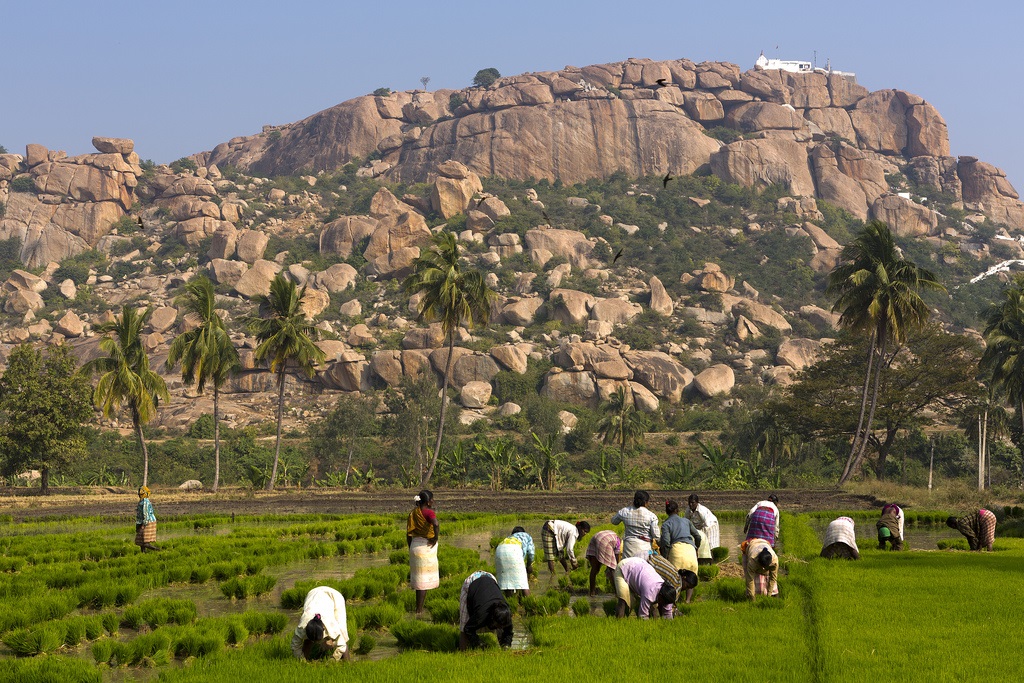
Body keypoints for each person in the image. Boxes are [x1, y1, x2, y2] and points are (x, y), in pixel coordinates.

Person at [290, 585, 350, 661]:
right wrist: (301, 660)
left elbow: (342, 645)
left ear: (323, 629)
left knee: (343, 635)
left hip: (334, 597)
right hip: (313, 594)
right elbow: (295, 646)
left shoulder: (331, 625)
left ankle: (348, 663)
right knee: (307, 639)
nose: (316, 643)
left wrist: (334, 659)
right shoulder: (302, 626)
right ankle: (305, 660)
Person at [458, 571, 513, 650]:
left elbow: (508, 632)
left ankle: (502, 649)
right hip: (472, 582)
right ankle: (462, 653)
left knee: (500, 628)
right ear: (492, 618)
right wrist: (478, 642)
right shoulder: (481, 614)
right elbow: (468, 628)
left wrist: (506, 645)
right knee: (463, 628)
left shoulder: (506, 615)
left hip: (490, 579)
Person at [660, 500, 700, 603]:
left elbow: (666, 542)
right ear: (677, 510)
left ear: (666, 512)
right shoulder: (686, 521)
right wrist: (696, 548)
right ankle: (687, 601)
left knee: (674, 579)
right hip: (690, 550)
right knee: (690, 577)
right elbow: (697, 536)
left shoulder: (666, 524)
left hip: (677, 551)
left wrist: (664, 557)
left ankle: (673, 602)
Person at [613, 556, 677, 619]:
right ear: (660, 596)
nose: (665, 605)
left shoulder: (668, 595)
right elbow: (643, 615)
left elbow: (667, 613)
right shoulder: (649, 592)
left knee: (653, 606)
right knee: (624, 599)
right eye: (664, 602)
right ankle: (619, 620)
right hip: (625, 566)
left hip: (641, 565)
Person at [407, 489, 439, 613]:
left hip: (415, 545)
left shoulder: (413, 513)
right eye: (432, 499)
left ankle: (418, 608)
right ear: (429, 502)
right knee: (423, 582)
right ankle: (419, 611)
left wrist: (410, 548)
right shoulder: (429, 513)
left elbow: (408, 534)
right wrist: (435, 538)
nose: (433, 501)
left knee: (419, 581)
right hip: (426, 547)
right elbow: (435, 524)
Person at [611, 490, 661, 559]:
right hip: (645, 549)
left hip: (629, 548)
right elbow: (656, 536)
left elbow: (614, 521)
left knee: (628, 568)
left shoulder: (625, 511)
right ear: (646, 502)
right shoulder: (651, 516)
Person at [495, 526, 534, 596]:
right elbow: (531, 553)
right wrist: (529, 565)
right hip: (514, 550)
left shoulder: (509, 537)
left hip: (499, 549)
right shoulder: (526, 536)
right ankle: (529, 602)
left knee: (505, 582)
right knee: (523, 583)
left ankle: (509, 601)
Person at [585, 529, 622, 596]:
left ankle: (592, 592)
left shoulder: (615, 535)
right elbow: (616, 562)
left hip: (596, 537)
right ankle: (617, 593)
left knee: (594, 568)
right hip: (604, 541)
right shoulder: (619, 544)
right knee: (613, 569)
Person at [686, 494, 720, 564]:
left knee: (709, 544)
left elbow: (706, 524)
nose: (691, 504)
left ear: (697, 503)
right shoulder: (688, 510)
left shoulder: (702, 510)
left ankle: (711, 562)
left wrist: (700, 533)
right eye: (689, 502)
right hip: (699, 526)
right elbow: (686, 521)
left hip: (710, 525)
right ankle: (699, 561)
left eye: (693, 503)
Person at [135, 486, 159, 552]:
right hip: (142, 522)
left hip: (148, 522)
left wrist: (144, 524)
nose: (139, 495)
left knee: (145, 542)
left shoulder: (145, 502)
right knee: (140, 541)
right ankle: (143, 553)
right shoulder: (141, 501)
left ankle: (158, 550)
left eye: (140, 494)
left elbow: (146, 514)